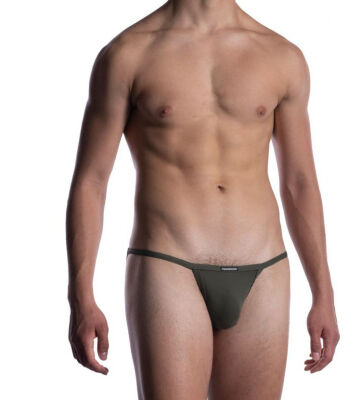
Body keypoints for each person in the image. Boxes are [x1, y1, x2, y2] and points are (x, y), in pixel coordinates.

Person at [66, 0, 340, 398]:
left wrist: (324, 294)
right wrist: (80, 296)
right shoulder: (128, 54)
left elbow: (300, 182)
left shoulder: (281, 56)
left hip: (264, 268)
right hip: (169, 264)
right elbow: (91, 181)